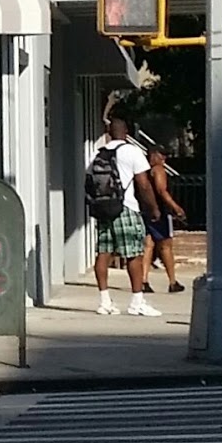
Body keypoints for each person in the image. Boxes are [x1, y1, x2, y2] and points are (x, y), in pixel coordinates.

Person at [92, 111, 163, 317]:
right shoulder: (131, 152)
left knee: (103, 253)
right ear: (126, 132)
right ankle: (137, 301)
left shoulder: (99, 153)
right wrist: (153, 208)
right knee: (134, 254)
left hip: (105, 209)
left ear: (109, 132)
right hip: (126, 207)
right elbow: (143, 184)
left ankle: (105, 301)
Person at [140, 145, 187, 294]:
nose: (164, 158)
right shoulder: (159, 170)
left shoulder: (144, 171)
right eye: (162, 154)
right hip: (160, 211)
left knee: (148, 245)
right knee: (166, 246)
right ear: (153, 155)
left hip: (146, 210)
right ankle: (172, 281)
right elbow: (161, 190)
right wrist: (175, 207)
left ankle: (143, 280)